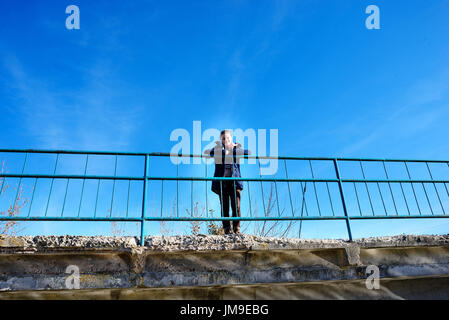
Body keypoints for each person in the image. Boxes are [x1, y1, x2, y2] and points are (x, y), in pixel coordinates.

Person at [204, 130, 251, 234]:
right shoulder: (218, 150)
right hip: (223, 184)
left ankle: (236, 228)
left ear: (231, 139)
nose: (226, 140)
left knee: (236, 206)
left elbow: (248, 153)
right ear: (221, 140)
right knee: (224, 207)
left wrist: (234, 147)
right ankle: (226, 229)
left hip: (235, 182)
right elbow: (208, 153)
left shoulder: (236, 150)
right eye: (223, 139)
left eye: (228, 138)